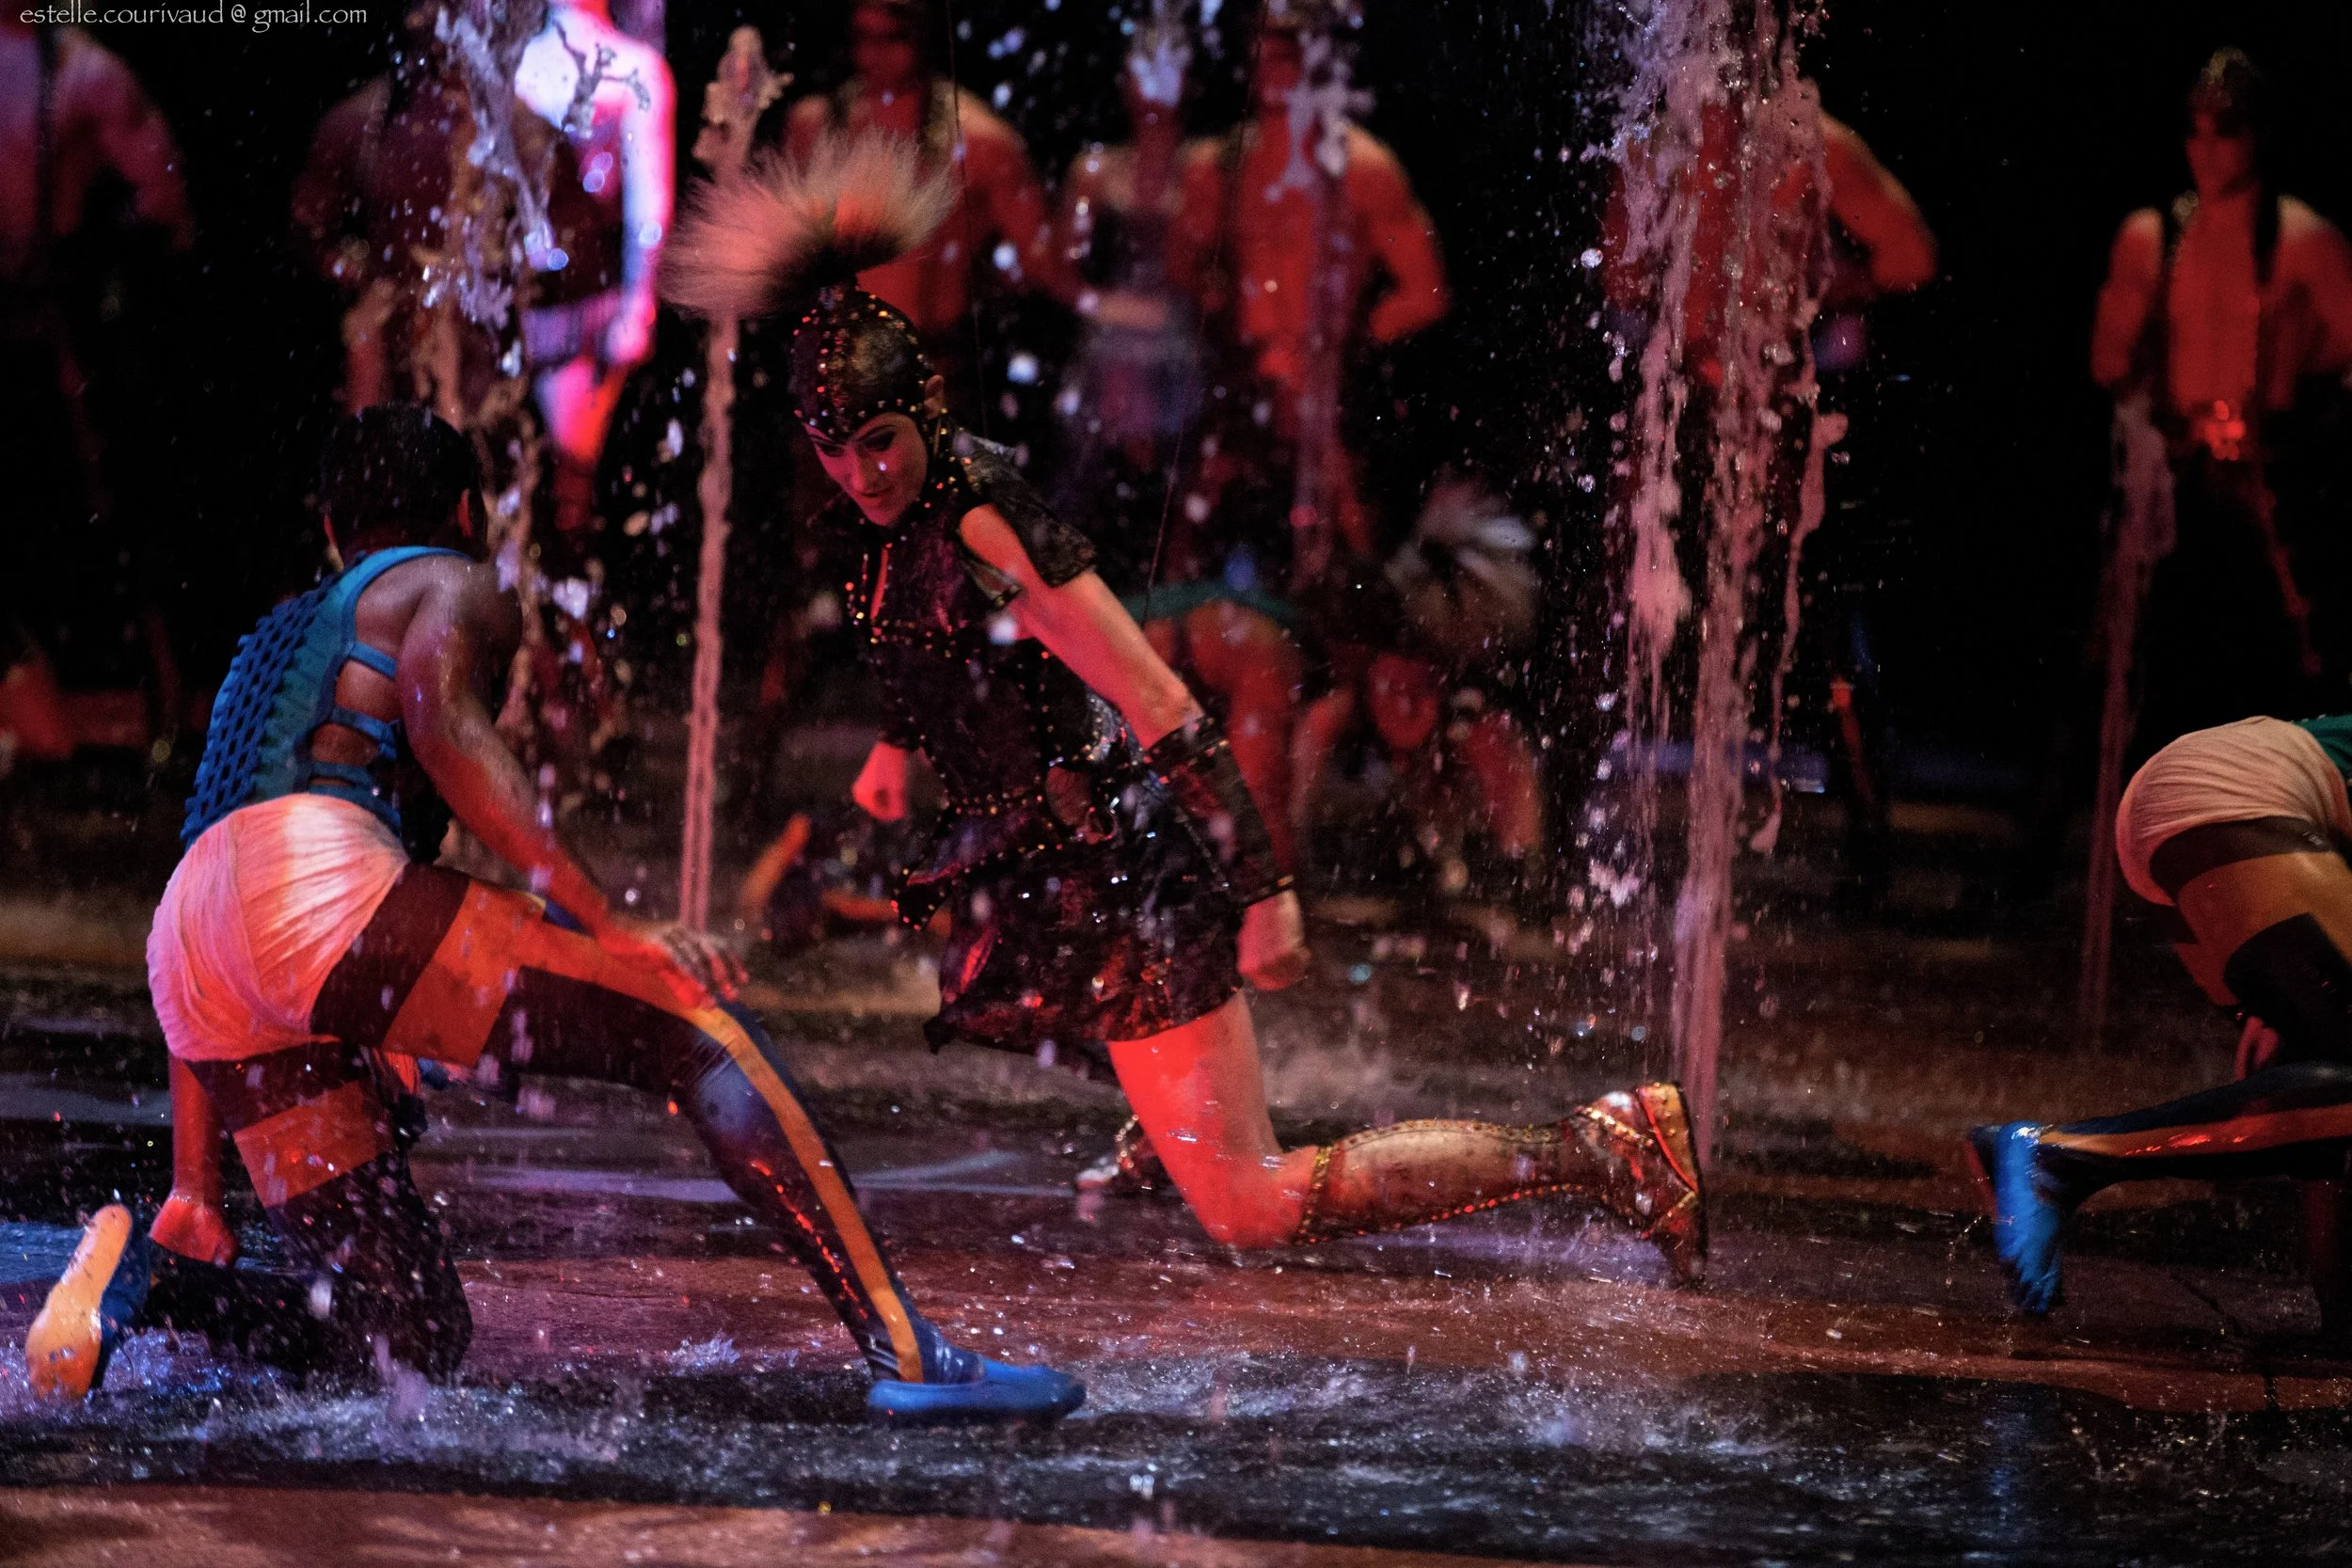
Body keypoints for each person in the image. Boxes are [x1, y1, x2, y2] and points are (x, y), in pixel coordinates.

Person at [661, 131, 1705, 1271]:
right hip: (1064, 873)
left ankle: (1598, 1147)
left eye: (879, 442)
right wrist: (899, 741)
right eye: (835, 449)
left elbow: (1159, 699)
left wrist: (1266, 891)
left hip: (1129, 877)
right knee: (1010, 981)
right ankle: (1168, 1113)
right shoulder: (892, 524)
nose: (863, 472)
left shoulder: (979, 521)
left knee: (1249, 1203)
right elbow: (957, 648)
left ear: (921, 411)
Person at [25, 405, 1083, 1425]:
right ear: (469, 511)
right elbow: (444, 729)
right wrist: (607, 919)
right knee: (698, 1029)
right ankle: (910, 1352)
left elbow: (219, 895)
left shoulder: (268, 646)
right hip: (311, 894)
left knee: (405, 1327)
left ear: (331, 528)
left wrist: (193, 1184)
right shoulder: (449, 577)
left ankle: (147, 1280)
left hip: (192, 961)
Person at [1972, 712, 2352, 1326]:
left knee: (2330, 1083)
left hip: (2197, 792)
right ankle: (2060, 1157)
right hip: (2247, 791)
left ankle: (2340, 1298)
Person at [2088, 49, 2352, 747]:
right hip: (2178, 477)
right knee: (2137, 666)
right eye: (2195, 129)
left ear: (2258, 133)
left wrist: (2315, 397)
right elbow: (2107, 361)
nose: (2206, 147)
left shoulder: (2303, 239)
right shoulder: (2156, 235)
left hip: (2270, 483)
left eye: (2226, 128)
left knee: (2291, 669)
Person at [515, 0, 675, 541]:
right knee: (523, 478)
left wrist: (639, 303)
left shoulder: (634, 67)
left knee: (569, 481)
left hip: (586, 303)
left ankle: (571, 604)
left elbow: (649, 202)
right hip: (527, 302)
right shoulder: (519, 63)